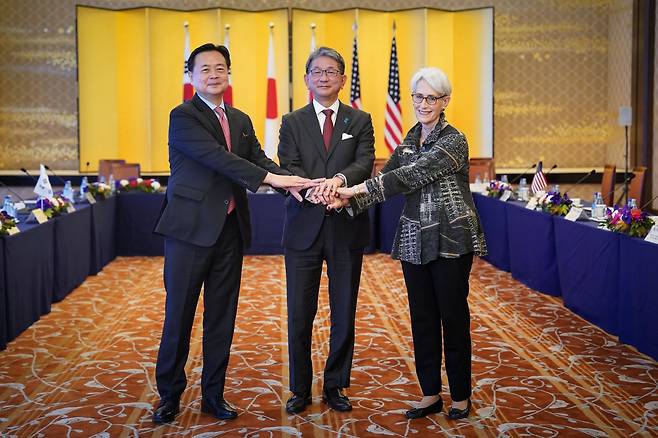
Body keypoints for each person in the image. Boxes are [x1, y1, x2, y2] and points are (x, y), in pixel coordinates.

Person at [152, 43, 316, 424]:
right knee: (179, 314)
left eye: (220, 68)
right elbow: (218, 158)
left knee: (221, 316)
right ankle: (169, 394)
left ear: (229, 73)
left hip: (229, 228)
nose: (213, 74)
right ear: (191, 76)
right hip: (189, 230)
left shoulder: (240, 119)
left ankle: (213, 394)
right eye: (205, 68)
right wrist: (270, 177)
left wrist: (292, 182)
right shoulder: (183, 116)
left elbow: (255, 158)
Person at [329, 67, 487, 420]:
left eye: (432, 97)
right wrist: (346, 202)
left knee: (453, 319)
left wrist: (354, 189)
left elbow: (409, 176)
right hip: (416, 241)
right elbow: (386, 178)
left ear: (445, 101)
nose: (424, 103)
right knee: (422, 320)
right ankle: (430, 393)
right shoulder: (409, 139)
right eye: (418, 97)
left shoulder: (454, 140)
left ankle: (461, 396)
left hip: (450, 240)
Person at [277, 47, 375, 414]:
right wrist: (318, 191)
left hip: (345, 228)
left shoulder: (360, 120)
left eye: (331, 71)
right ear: (306, 79)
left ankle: (336, 385)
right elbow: (289, 164)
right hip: (303, 227)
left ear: (342, 79)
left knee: (344, 311)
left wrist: (338, 182)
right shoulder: (292, 121)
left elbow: (365, 161)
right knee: (300, 312)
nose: (323, 77)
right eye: (316, 72)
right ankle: (300, 388)